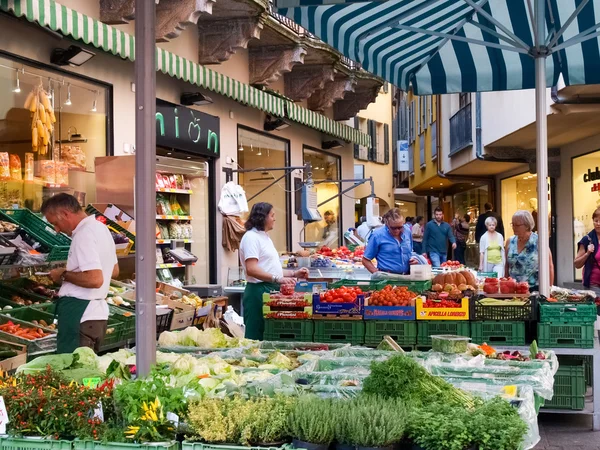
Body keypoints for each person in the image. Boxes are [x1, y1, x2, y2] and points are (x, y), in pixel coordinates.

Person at [44, 194, 119, 353]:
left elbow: (95, 279)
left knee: (73, 370)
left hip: (80, 315)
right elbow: (115, 271)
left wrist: (63, 274)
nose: (57, 230)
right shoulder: (101, 228)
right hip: (96, 317)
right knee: (88, 373)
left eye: (55, 223)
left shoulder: (83, 234)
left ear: (65, 213)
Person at [239, 202, 309, 340]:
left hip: (270, 290)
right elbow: (252, 269)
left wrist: (294, 274)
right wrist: (278, 279)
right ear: (262, 218)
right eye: (272, 215)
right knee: (257, 334)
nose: (274, 219)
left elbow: (271, 268)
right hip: (258, 292)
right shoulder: (251, 238)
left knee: (270, 332)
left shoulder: (264, 237)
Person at [505, 210, 554, 290]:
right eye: (512, 224)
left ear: (527, 226)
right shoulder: (510, 241)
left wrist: (549, 288)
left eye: (517, 225)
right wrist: (506, 285)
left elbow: (549, 265)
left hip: (534, 289)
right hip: (513, 289)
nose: (514, 227)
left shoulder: (539, 241)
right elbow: (507, 266)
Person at [362, 208, 418, 275]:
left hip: (407, 276)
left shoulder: (407, 231)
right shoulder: (377, 235)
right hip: (387, 277)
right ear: (387, 223)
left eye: (400, 227)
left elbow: (410, 251)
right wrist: (377, 274)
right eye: (393, 228)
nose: (397, 230)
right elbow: (365, 260)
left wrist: (413, 259)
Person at [574, 207, 600, 293]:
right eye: (596, 221)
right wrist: (587, 253)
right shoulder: (587, 239)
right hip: (593, 285)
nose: (598, 224)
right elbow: (577, 264)